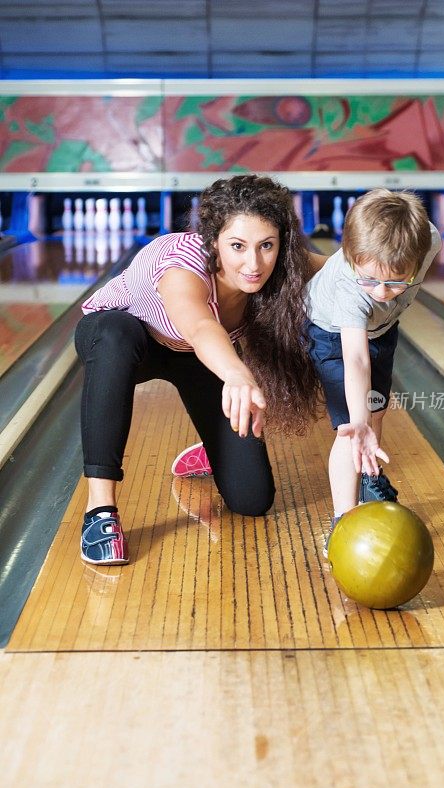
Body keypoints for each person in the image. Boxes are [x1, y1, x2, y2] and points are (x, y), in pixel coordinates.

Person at [76, 174, 321, 565]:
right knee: (114, 334)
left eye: (266, 246)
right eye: (237, 246)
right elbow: (200, 325)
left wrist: (402, 248)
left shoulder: (283, 265)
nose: (253, 263)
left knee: (252, 500)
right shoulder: (183, 265)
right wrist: (238, 373)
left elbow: (352, 267)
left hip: (199, 357)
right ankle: (100, 509)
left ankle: (214, 447)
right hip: (128, 341)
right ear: (213, 242)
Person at [304, 188, 442, 555]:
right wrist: (359, 421)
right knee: (352, 429)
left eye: (397, 281)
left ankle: (368, 480)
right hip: (332, 336)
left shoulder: (429, 241)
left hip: (382, 331)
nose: (381, 292)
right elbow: (357, 360)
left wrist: (369, 420)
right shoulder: (351, 290)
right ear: (351, 257)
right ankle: (343, 521)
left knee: (375, 415)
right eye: (370, 279)